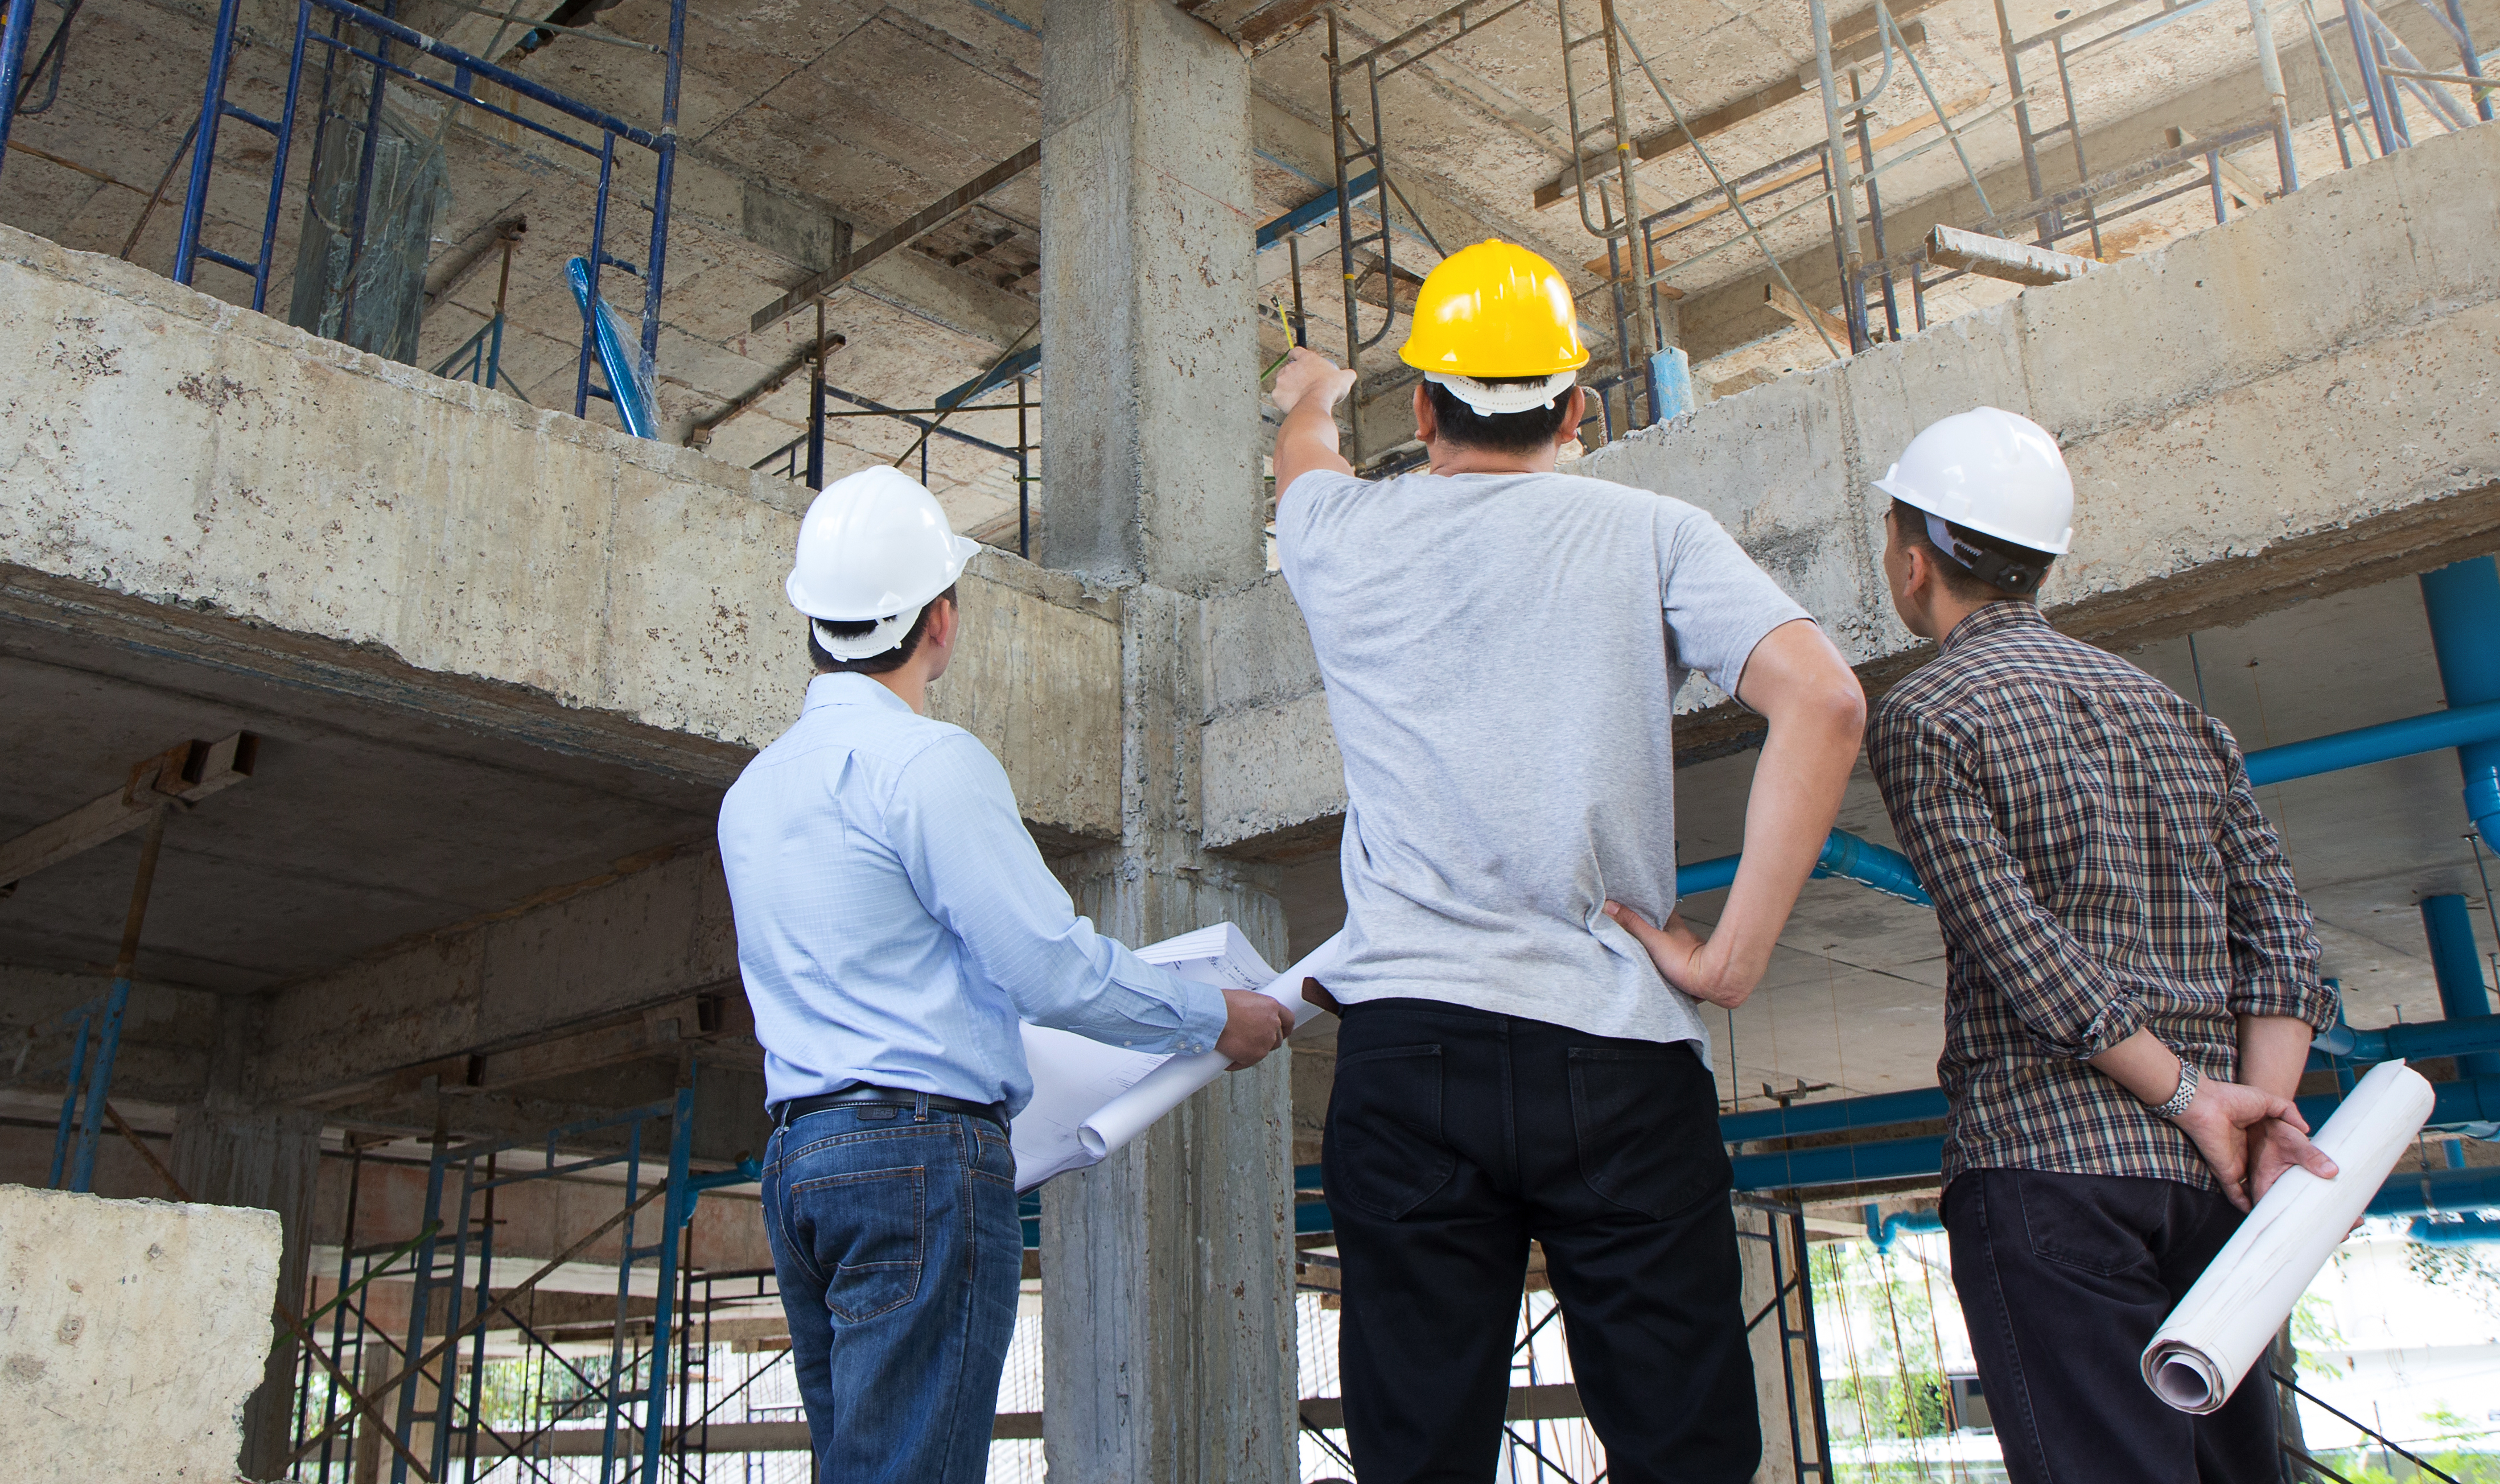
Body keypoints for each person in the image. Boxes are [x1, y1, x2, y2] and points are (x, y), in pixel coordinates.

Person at [1266, 239, 1869, 1484]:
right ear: (1578, 407)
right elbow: (1821, 701)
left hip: (1408, 1051)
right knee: (1682, 1448)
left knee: (1415, 1452)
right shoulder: (1650, 530)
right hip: (1616, 1048)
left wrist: (1313, 393)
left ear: (1423, 407)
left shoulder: (1339, 534)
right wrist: (1731, 958)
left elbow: (1301, 464)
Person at [718, 465, 1293, 1484]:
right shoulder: (930, 766)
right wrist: (1214, 1019)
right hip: (918, 1163)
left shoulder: (753, 795)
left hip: (801, 1164)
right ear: (941, 619)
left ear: (812, 620)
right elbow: (1050, 971)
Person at [1863, 406, 2341, 1484]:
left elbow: (2020, 952)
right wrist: (2253, 1115)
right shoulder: (2180, 717)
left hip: (2048, 1169)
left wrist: (2189, 1098)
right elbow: (2281, 941)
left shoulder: (1928, 713)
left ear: (1909, 557)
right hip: (2217, 1190)